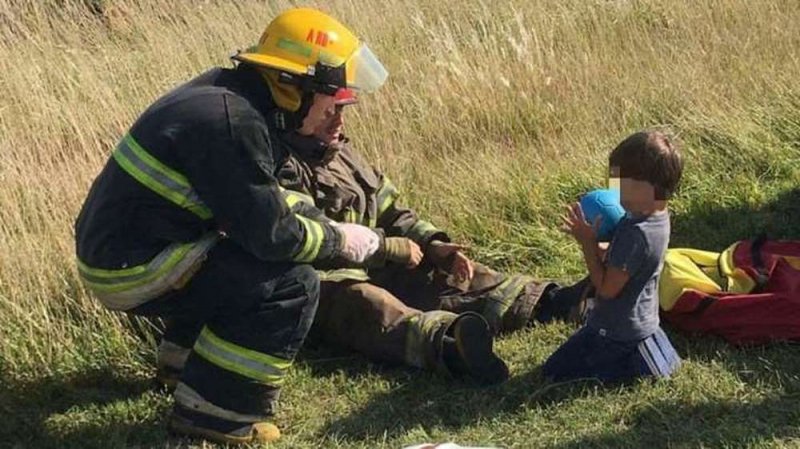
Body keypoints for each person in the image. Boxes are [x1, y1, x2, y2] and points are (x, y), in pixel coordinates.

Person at [74, 8, 391, 444]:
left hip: (131, 250)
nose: (340, 116)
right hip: (131, 268)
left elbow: (275, 194)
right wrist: (341, 239)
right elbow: (274, 236)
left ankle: (181, 364)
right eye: (334, 100)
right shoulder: (232, 124)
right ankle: (217, 414)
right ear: (293, 84)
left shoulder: (238, 99)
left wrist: (324, 223)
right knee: (291, 282)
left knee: (229, 258)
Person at [269, 89, 577, 381]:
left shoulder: (343, 153)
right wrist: (387, 248)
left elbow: (392, 211)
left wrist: (432, 243)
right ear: (295, 110)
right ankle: (450, 344)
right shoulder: (282, 168)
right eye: (328, 112)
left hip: (377, 263)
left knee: (448, 275)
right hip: (323, 283)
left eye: (341, 109)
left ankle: (550, 301)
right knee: (368, 305)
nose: (338, 120)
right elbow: (312, 238)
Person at [543, 130, 684, 383]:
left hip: (616, 331)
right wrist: (600, 247)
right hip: (643, 320)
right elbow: (628, 263)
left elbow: (607, 289)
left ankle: (634, 366)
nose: (616, 192)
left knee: (553, 371)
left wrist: (587, 244)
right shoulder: (657, 217)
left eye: (622, 184)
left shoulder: (636, 233)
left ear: (649, 185)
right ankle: (650, 350)